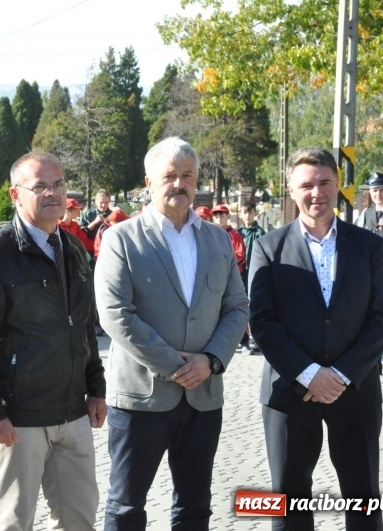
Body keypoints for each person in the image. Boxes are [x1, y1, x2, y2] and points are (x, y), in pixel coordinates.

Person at [94, 137, 249, 531]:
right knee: (127, 506)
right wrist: (176, 366)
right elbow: (115, 314)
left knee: (195, 507)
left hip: (203, 397)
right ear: (149, 181)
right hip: (141, 399)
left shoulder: (217, 240)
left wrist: (211, 361)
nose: (179, 184)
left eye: (187, 176)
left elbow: (236, 307)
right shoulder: (121, 239)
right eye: (169, 176)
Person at [0, 152, 107, 531]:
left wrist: (96, 388)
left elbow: (83, 325)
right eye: (40, 186)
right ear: (15, 194)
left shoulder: (73, 249)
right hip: (18, 420)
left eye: (58, 184)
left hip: (72, 413)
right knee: (14, 524)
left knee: (80, 520)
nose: (52, 193)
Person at [249, 147, 383, 531]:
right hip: (289, 392)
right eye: (307, 185)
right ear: (291, 190)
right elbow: (262, 322)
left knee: (362, 498)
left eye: (325, 182)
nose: (317, 192)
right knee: (289, 501)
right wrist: (309, 373)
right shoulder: (269, 247)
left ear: (337, 185)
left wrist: (341, 374)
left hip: (356, 390)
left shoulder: (368, 246)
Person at [356, 171, 383, 378]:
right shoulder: (366, 215)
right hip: (369, 278)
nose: (378, 194)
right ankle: (374, 361)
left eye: (382, 189)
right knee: (369, 319)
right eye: (374, 190)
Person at [237, 201, 266, 354]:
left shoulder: (261, 233)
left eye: (250, 212)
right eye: (245, 212)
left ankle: (257, 339)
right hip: (240, 276)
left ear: (255, 213)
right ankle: (243, 340)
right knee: (241, 306)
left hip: (256, 276)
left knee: (255, 306)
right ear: (240, 214)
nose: (248, 215)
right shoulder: (237, 233)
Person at [211, 203, 246, 274]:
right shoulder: (212, 234)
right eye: (216, 217)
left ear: (228, 216)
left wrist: (226, 266)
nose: (219, 219)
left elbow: (241, 255)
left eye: (222, 216)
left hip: (233, 273)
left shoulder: (234, 234)